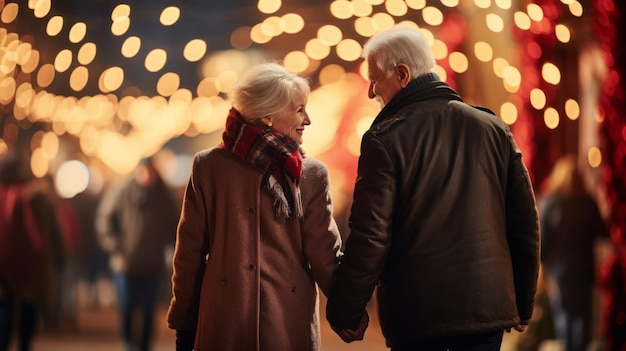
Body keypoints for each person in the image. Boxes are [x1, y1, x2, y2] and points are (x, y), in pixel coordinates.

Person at [325, 24, 541, 350]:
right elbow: (525, 226)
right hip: (486, 312)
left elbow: (371, 236)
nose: (371, 92)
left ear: (402, 74)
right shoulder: (493, 128)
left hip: (418, 316)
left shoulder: (384, 139)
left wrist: (345, 312)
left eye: (374, 79)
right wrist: (523, 303)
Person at [166, 62, 343, 351]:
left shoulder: (309, 174)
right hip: (242, 322)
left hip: (272, 321)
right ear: (268, 115)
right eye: (298, 109)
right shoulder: (208, 167)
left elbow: (325, 255)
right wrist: (184, 321)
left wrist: (349, 308)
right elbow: (189, 254)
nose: (307, 119)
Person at [95, 157, 179, 351]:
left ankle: (144, 346)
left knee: (149, 308)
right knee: (127, 305)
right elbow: (105, 221)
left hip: (152, 263)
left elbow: (175, 225)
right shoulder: (121, 191)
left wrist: (169, 250)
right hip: (125, 263)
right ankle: (127, 342)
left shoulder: (164, 196)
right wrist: (115, 247)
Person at [539, 155, 609, 351]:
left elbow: (542, 241)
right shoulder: (588, 203)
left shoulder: (551, 203)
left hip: (561, 273)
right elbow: (604, 231)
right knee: (582, 321)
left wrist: (543, 269)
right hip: (584, 272)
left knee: (565, 320)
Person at [0, 149, 67, 351]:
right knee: (29, 308)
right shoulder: (41, 197)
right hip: (33, 265)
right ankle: (25, 345)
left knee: (4, 307)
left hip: (2, 265)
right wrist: (60, 256)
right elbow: (55, 230)